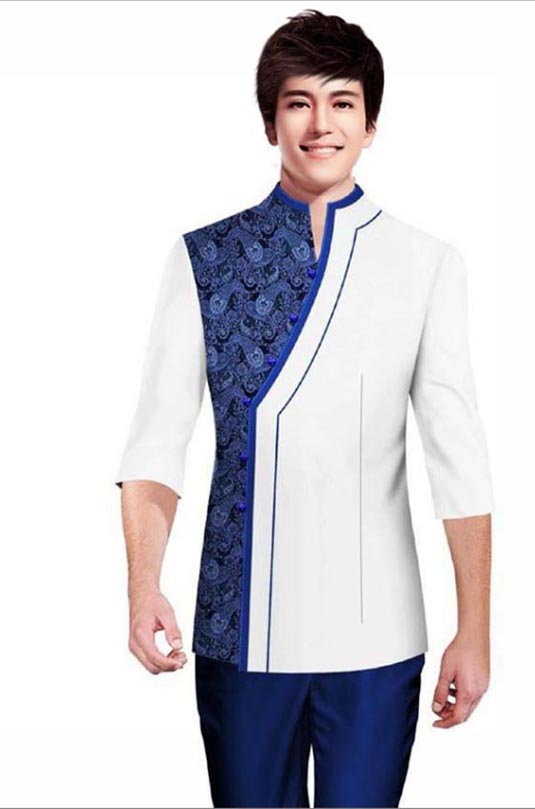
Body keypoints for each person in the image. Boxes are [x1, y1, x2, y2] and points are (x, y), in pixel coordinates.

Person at [115, 8, 495, 807]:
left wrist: (475, 627)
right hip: (240, 630)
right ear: (271, 122)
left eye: (342, 102)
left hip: (378, 634)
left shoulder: (427, 265)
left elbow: (458, 460)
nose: (321, 124)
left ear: (371, 123)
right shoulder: (204, 259)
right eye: (299, 102)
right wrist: (144, 587)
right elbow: (156, 443)